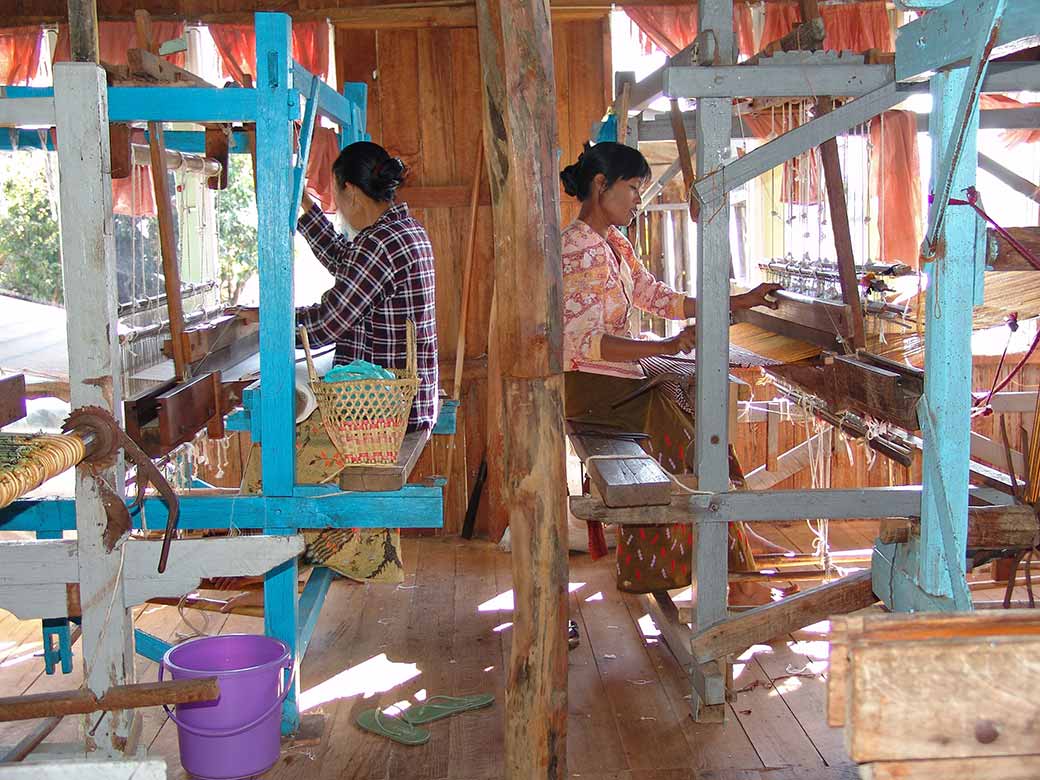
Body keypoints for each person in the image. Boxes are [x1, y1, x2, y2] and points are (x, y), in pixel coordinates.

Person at [560, 141, 783, 597]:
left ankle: (732, 538)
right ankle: (723, 566)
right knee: (681, 430)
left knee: (702, 405)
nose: (638, 199)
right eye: (633, 187)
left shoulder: (613, 243)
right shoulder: (578, 250)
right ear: (601, 185)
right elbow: (582, 343)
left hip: (614, 382)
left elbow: (653, 293)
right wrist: (665, 344)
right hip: (590, 389)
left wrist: (733, 302)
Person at [297, 140, 438, 431]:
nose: (337, 208)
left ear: (350, 191)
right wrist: (304, 202)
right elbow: (347, 263)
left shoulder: (379, 243)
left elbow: (328, 323)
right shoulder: (406, 230)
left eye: (335, 195)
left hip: (386, 412)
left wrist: (266, 327)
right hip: (407, 404)